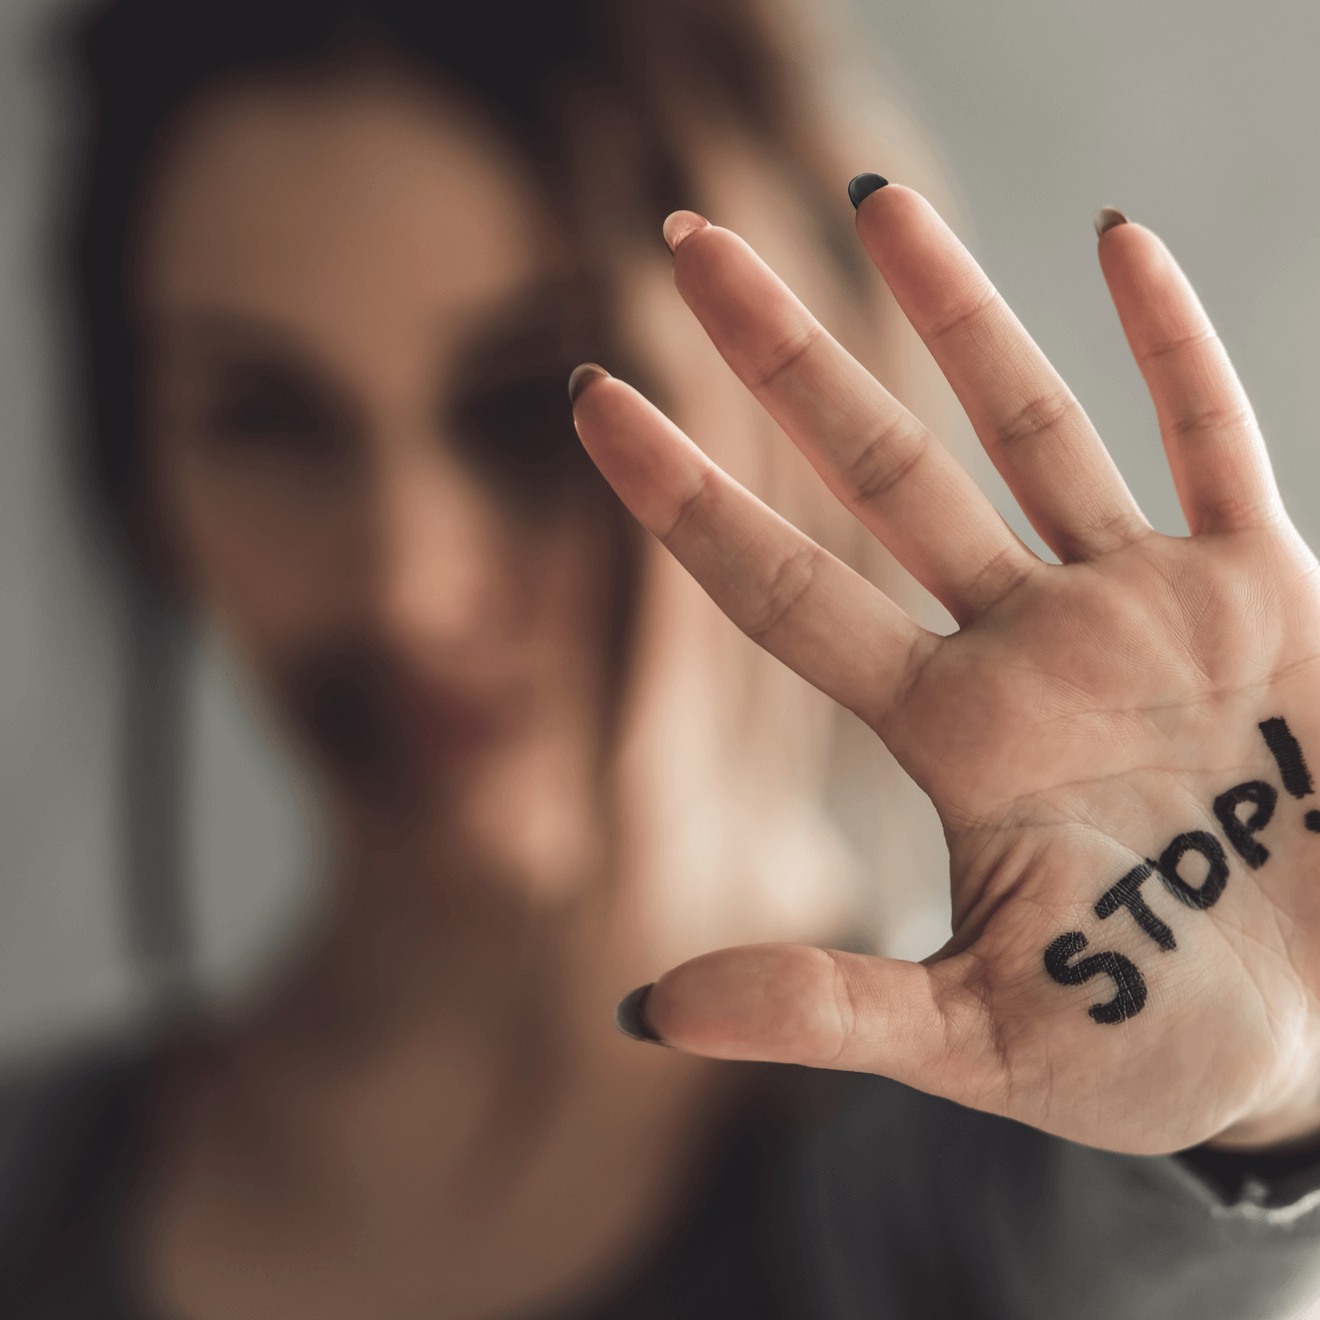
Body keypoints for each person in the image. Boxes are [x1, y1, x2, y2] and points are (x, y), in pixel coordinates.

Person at [3, 0, 1320, 1315]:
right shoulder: (32, 1188)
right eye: (265, 421)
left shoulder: (1000, 1204)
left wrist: (1270, 1119)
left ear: (798, 404)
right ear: (141, 475)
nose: (411, 588)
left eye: (534, 410)